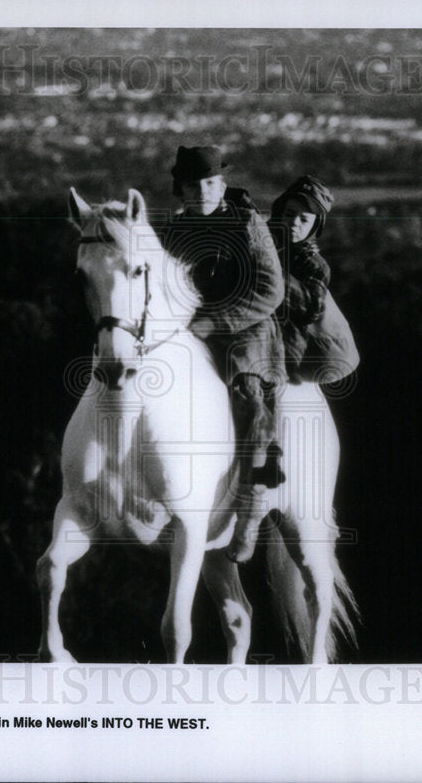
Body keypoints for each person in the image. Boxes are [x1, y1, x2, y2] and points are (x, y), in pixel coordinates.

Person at [163, 145, 286, 564]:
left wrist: (213, 323)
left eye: (211, 183)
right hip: (189, 328)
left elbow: (271, 290)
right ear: (181, 189)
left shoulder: (246, 223)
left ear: (223, 184)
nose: (203, 192)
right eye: (194, 185)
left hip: (245, 331)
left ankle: (251, 510)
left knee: (249, 397)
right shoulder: (174, 229)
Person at [270, 175, 358, 385]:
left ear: (314, 226)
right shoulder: (271, 239)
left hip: (320, 352)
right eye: (290, 214)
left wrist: (271, 271)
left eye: (304, 220)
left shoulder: (315, 265)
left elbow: (309, 313)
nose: (294, 223)